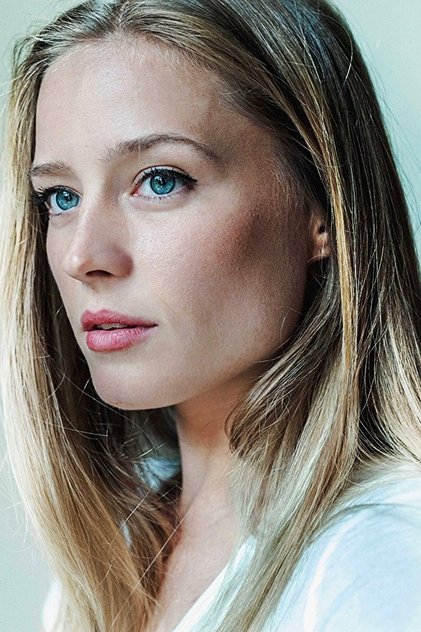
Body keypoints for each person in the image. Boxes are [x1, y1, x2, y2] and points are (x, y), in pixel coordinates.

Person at [1, 0, 420, 630]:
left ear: (323, 210)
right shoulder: (108, 565)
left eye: (161, 180)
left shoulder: (378, 561)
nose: (83, 256)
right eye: (62, 197)